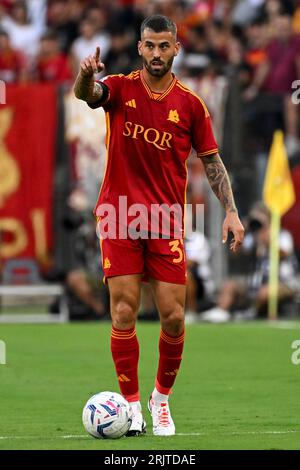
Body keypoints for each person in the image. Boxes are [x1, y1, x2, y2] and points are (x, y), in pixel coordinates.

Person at [74, 14, 244, 437]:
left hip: (166, 219)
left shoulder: (191, 104)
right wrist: (84, 77)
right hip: (118, 214)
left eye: (163, 46)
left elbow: (212, 162)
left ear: (176, 49)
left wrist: (232, 211)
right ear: (139, 48)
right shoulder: (120, 87)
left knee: (173, 317)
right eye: (149, 45)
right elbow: (88, 95)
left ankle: (160, 400)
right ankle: (130, 408)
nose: (155, 53)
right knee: (125, 310)